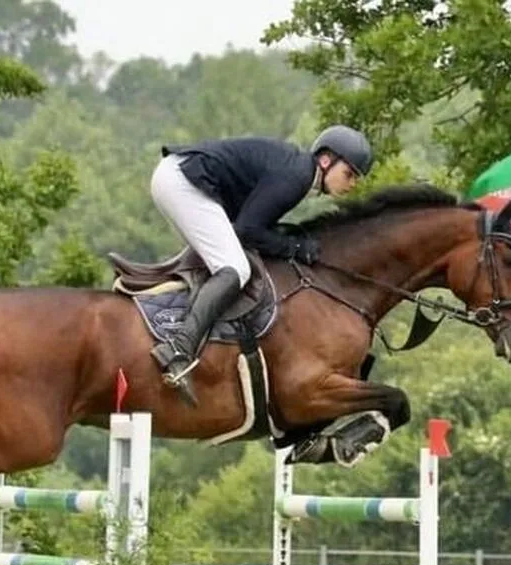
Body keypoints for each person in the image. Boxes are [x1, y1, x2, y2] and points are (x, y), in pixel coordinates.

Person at [147, 125, 374, 397]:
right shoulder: (298, 175)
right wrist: (295, 247)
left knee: (230, 261)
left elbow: (253, 225)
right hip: (183, 183)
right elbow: (247, 230)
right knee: (235, 268)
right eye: (349, 174)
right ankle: (178, 347)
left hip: (182, 179)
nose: (352, 184)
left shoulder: (298, 171)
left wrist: (290, 243)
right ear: (326, 160)